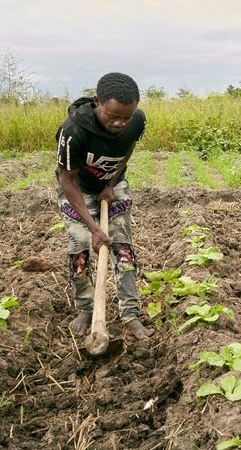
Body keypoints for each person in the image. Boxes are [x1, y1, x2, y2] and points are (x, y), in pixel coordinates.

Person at [55, 72, 150, 339]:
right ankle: (86, 308)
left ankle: (129, 313)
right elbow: (67, 179)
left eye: (126, 118)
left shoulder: (137, 121)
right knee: (79, 251)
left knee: (123, 249)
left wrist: (112, 182)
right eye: (113, 117)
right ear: (97, 102)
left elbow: (128, 147)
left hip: (112, 184)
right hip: (78, 189)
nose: (120, 123)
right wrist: (94, 228)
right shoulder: (73, 131)